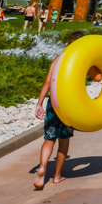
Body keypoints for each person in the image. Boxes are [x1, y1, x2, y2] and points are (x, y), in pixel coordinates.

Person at [34, 30, 87, 189]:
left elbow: (47, 82)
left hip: (54, 103)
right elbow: (98, 77)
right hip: (69, 106)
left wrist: (39, 103)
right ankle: (56, 176)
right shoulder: (80, 61)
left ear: (67, 44)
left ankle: (42, 166)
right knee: (64, 140)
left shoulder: (58, 59)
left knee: (49, 138)